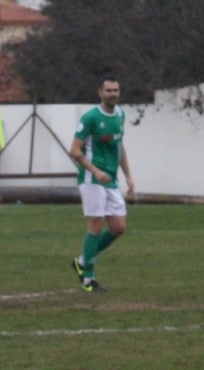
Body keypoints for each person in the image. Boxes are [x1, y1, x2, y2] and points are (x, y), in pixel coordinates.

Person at [68, 75, 135, 293]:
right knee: (95, 225)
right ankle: (88, 279)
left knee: (118, 227)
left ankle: (82, 260)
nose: (113, 94)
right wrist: (95, 170)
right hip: (91, 179)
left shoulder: (120, 115)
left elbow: (119, 146)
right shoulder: (90, 118)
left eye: (116, 90)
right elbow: (74, 150)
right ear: (100, 93)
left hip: (111, 180)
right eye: (108, 90)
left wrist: (128, 175)